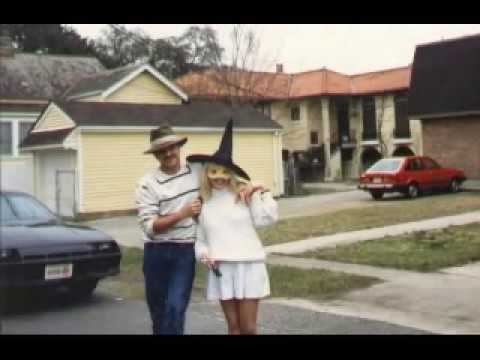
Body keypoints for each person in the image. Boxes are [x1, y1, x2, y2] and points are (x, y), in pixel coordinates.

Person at [135, 123, 256, 335]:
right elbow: (150, 227)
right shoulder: (147, 183)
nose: (168, 153)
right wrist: (182, 214)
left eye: (172, 147)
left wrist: (251, 185)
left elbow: (225, 173)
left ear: (179, 147)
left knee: (175, 307)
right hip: (155, 252)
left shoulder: (197, 170)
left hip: (184, 251)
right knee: (159, 312)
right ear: (155, 155)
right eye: (162, 151)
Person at [187, 119, 278, 335]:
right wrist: (204, 254)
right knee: (234, 328)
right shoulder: (202, 202)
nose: (219, 177)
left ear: (232, 173)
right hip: (222, 269)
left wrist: (259, 189)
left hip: (248, 266)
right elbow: (200, 240)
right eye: (214, 171)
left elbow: (268, 219)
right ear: (207, 173)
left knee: (248, 328)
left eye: (225, 172)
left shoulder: (244, 194)